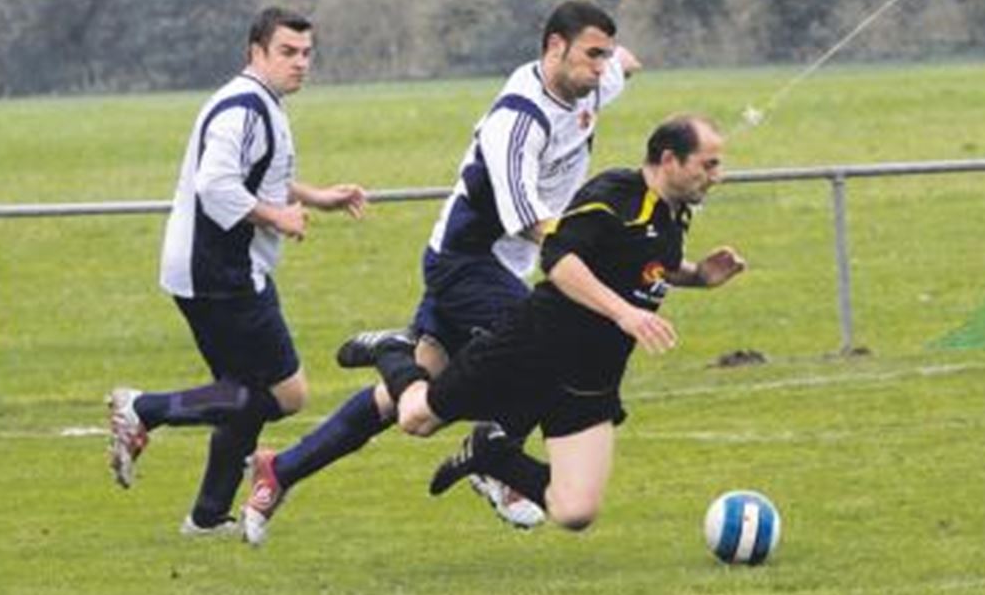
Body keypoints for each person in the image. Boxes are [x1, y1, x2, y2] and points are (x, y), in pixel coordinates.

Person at [241, 0, 641, 543]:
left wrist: (621, 63)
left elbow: (623, 65)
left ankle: (281, 468)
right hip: (466, 261)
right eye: (592, 56)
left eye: (605, 57)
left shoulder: (588, 82)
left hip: (493, 268)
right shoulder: (516, 122)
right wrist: (600, 251)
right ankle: (495, 457)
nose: (600, 68)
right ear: (554, 47)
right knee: (547, 346)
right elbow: (525, 221)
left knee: (408, 400)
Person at [243, 114, 744, 543]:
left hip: (592, 377)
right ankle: (394, 350)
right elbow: (559, 259)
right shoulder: (615, 195)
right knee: (415, 417)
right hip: (533, 345)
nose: (717, 176)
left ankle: (490, 453)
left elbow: (647, 264)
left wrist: (698, 275)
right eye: (709, 164)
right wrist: (623, 313)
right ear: (668, 159)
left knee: (575, 511)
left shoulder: (674, 213)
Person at [107, 7, 367, 536]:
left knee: (240, 394)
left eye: (306, 53)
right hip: (220, 274)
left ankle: (207, 517)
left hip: (213, 271)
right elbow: (216, 184)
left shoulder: (261, 104)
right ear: (256, 52)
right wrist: (278, 217)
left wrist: (316, 197)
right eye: (287, 53)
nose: (300, 64)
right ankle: (145, 409)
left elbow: (261, 175)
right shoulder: (244, 108)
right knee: (286, 394)